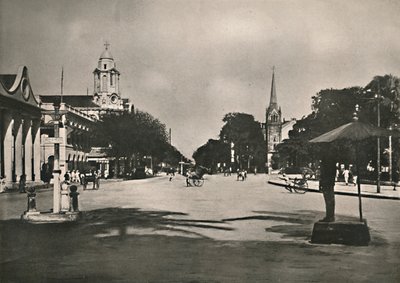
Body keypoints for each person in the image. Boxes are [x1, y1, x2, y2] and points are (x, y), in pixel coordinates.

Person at [319, 150, 337, 222]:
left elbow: (323, 174)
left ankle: (330, 216)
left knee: (328, 199)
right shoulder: (332, 161)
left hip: (326, 182)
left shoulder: (326, 161)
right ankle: (330, 216)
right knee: (330, 199)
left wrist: (321, 183)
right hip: (329, 182)